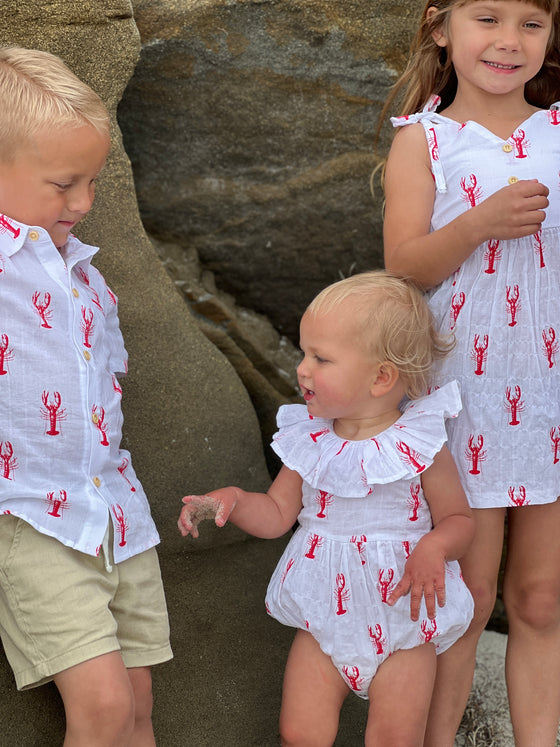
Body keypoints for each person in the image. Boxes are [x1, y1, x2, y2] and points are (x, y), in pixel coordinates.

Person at [178, 270, 474, 746]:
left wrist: (435, 547)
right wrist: (232, 500)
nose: (302, 369)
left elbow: (460, 521)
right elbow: (277, 514)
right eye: (303, 353)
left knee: (396, 738)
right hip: (323, 615)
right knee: (300, 732)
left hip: (403, 617)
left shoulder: (418, 443)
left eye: (321, 358)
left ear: (381, 377)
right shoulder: (312, 441)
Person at [381, 0, 560, 744]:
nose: (509, 41)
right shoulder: (425, 140)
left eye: (532, 23)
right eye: (488, 17)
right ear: (440, 26)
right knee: (469, 591)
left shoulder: (556, 132)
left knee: (543, 598)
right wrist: (478, 223)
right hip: (473, 401)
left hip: (550, 392)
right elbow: (405, 265)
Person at [0, 47, 172, 746]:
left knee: (136, 699)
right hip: (35, 514)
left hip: (116, 512)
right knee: (100, 705)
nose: (84, 203)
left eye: (93, 181)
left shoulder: (85, 277)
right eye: (64, 183)